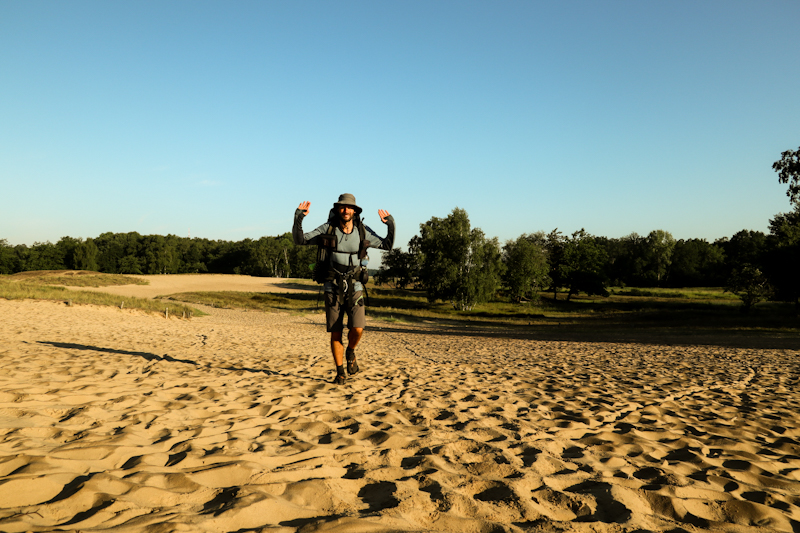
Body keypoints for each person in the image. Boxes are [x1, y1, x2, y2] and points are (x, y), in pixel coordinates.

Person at [293, 193, 395, 384]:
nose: (346, 210)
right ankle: (340, 372)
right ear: (337, 210)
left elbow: (387, 245)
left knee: (358, 328)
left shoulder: (363, 231)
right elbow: (300, 240)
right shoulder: (328, 229)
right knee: (336, 331)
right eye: (342, 207)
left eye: (349, 207)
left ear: (355, 211)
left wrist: (391, 224)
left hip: (355, 287)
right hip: (332, 287)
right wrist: (299, 217)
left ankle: (351, 351)